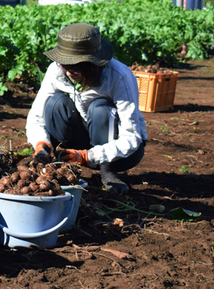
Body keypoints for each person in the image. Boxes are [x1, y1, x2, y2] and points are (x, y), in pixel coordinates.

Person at [25, 23, 147, 194]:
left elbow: (132, 137)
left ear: (94, 64)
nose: (68, 72)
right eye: (64, 66)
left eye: (75, 68)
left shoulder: (119, 76)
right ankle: (55, 166)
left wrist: (86, 156)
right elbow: (36, 116)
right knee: (55, 103)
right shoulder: (55, 71)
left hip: (121, 151)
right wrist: (40, 143)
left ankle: (108, 171)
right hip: (79, 139)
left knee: (101, 108)